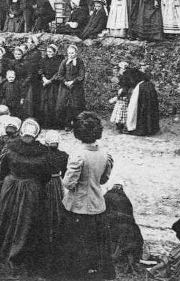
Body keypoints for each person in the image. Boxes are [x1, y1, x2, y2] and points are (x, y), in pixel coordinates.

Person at [0, 118, 51, 279]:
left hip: (10, 188)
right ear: (36, 134)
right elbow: (46, 176)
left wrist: (10, 179)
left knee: (6, 221)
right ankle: (21, 265)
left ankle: (1, 262)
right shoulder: (43, 152)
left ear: (22, 130)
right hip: (32, 190)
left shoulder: (10, 146)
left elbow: (2, 168)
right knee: (26, 225)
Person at [60, 111, 115, 279]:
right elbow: (104, 180)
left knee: (75, 245)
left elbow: (69, 183)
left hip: (77, 206)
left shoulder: (78, 155)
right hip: (97, 205)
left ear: (78, 133)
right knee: (94, 244)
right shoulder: (105, 155)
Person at [43, 130, 69, 272]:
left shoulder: (42, 154)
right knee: (57, 206)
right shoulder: (63, 155)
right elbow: (65, 173)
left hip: (46, 182)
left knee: (46, 206)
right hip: (56, 182)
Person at [55, 45, 86, 131]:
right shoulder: (65, 61)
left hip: (76, 87)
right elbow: (59, 74)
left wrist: (73, 82)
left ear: (76, 53)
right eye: (69, 53)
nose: (71, 55)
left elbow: (81, 76)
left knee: (76, 105)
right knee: (64, 105)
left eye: (72, 53)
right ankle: (67, 124)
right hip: (65, 87)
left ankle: (77, 124)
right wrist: (65, 82)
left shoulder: (80, 62)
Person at [126, 67, 160, 136]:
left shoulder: (139, 86)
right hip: (149, 105)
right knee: (150, 112)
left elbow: (133, 105)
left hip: (142, 106)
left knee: (143, 113)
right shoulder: (150, 85)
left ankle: (142, 129)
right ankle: (151, 129)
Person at [40, 44, 64, 128]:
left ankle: (53, 123)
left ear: (55, 52)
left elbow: (58, 73)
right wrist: (44, 79)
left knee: (52, 102)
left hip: (54, 85)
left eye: (50, 52)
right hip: (45, 83)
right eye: (47, 52)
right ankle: (45, 123)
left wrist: (50, 81)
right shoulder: (44, 60)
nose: (48, 53)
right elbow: (40, 70)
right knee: (44, 102)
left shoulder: (58, 61)